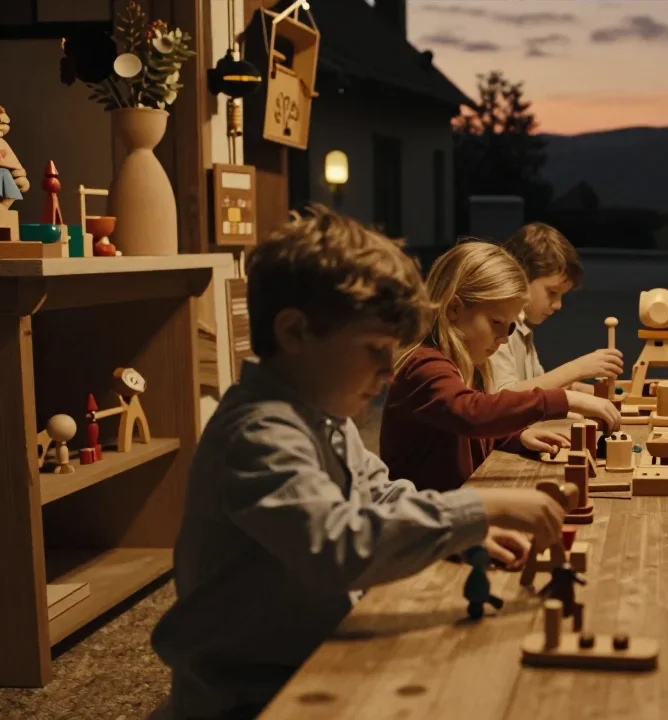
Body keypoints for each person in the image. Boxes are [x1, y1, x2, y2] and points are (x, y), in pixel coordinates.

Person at [151, 207, 566, 720]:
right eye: (373, 350)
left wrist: (464, 532)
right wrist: (476, 507)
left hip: (316, 655)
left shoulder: (325, 413)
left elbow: (383, 492)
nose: (386, 372)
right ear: (295, 332)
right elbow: (338, 544)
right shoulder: (257, 433)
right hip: (250, 695)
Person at [380, 241, 620, 492]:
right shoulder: (424, 366)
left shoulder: (468, 365)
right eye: (496, 322)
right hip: (422, 521)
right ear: (454, 309)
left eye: (510, 326)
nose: (504, 338)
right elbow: (470, 414)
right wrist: (561, 399)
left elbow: (466, 430)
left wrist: (514, 437)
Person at [492, 222, 624, 393]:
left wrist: (601, 393)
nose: (558, 305)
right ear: (520, 275)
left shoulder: (522, 328)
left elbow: (540, 387)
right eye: (552, 292)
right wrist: (579, 369)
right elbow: (505, 396)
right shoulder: (499, 328)